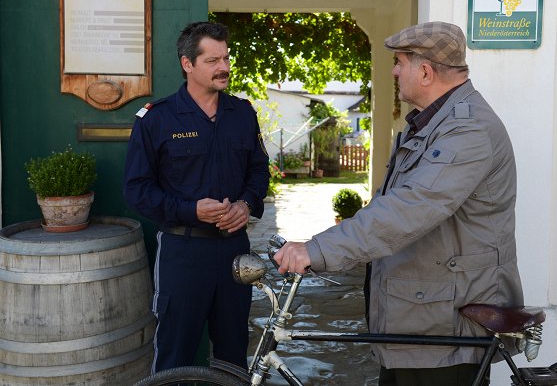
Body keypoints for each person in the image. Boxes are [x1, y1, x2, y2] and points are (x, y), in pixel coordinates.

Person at [275, 21, 523, 386]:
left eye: (400, 62)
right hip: (421, 317)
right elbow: (387, 205)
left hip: (443, 328)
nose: (394, 70)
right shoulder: (430, 124)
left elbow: (410, 209)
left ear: (424, 71)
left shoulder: (468, 131)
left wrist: (318, 250)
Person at [123, 21, 270, 373]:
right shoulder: (155, 119)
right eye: (213, 60)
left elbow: (259, 171)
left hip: (235, 252)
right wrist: (191, 211)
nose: (224, 67)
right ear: (188, 64)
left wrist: (245, 204)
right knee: (175, 354)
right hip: (182, 253)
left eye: (226, 58)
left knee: (234, 353)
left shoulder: (242, 113)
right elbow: (136, 190)